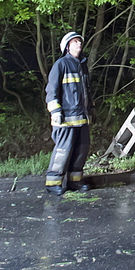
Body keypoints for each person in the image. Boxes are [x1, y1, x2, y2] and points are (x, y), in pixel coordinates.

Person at [45, 31, 92, 196]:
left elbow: (86, 92)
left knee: (82, 149)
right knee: (63, 151)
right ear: (67, 47)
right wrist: (55, 111)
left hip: (81, 118)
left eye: (79, 41)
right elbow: (51, 91)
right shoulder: (61, 64)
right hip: (65, 119)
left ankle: (75, 181)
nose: (78, 44)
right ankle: (53, 183)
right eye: (74, 42)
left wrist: (90, 112)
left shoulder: (82, 65)